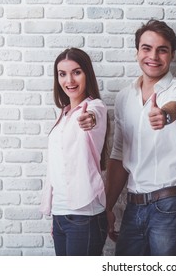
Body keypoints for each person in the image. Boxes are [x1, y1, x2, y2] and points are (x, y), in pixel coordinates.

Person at [105, 19, 176, 256]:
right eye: (147, 48)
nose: (153, 56)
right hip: (133, 207)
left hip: (171, 206)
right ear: (137, 52)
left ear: (172, 55)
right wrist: (107, 206)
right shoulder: (124, 97)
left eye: (162, 50)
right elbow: (118, 156)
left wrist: (165, 115)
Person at [40, 48, 109, 256]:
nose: (69, 80)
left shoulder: (95, 107)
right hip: (61, 215)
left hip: (84, 217)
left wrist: (90, 119)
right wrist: (57, 217)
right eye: (62, 74)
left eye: (76, 72)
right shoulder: (63, 114)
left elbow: (94, 118)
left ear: (87, 73)